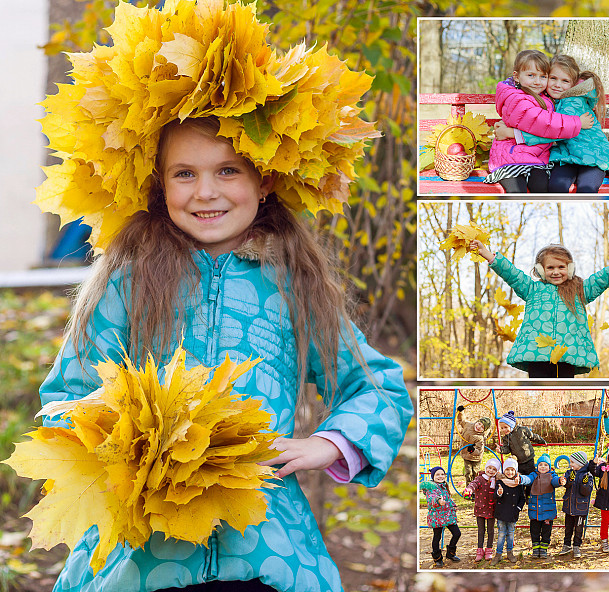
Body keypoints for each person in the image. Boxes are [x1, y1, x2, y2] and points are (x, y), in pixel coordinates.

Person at [32, 3, 412, 591]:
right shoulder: (128, 279)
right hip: (139, 559)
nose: (205, 192)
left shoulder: (293, 283)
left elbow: (377, 385)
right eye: (184, 174)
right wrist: (118, 447)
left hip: (267, 552)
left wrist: (327, 443)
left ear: (263, 178)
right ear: (160, 184)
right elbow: (67, 396)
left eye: (228, 171)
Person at [470, 240, 609, 378]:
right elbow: (511, 274)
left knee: (564, 386)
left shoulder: (579, 290)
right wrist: (486, 253)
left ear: (569, 269)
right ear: (541, 270)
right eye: (550, 267)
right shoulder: (532, 289)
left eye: (561, 267)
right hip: (538, 355)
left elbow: (604, 278)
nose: (556, 272)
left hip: (568, 354)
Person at [495, 54, 609, 193]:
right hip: (568, 157)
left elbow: (555, 132)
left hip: (594, 156)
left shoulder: (572, 103)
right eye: (553, 78)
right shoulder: (551, 101)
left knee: (586, 189)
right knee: (555, 187)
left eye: (565, 81)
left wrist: (513, 133)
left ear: (573, 85)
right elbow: (532, 119)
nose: (557, 85)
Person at [519, 453, 562, 558]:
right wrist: (521, 479)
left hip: (548, 510)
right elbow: (528, 479)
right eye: (540, 465)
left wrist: (560, 480)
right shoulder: (534, 475)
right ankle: (535, 549)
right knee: (534, 531)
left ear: (549, 466)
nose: (543, 467)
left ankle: (543, 550)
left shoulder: (553, 476)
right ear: (537, 466)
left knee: (546, 532)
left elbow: (555, 482)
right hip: (535, 510)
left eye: (545, 465)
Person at [421, 467, 462, 566]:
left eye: (442, 474)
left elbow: (448, 499)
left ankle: (450, 553)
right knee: (437, 537)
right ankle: (437, 558)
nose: (440, 476)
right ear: (433, 476)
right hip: (437, 516)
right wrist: (439, 501)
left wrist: (453, 506)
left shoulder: (444, 485)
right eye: (437, 475)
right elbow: (432, 498)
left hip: (448, 515)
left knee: (457, 533)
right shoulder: (431, 487)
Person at [463, 458, 501, 562]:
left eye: (494, 469)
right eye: (489, 468)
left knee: (490, 530)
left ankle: (489, 550)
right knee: (481, 530)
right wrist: (469, 489)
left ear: (497, 471)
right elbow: (473, 484)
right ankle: (479, 550)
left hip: (491, 509)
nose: (491, 470)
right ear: (486, 468)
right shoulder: (480, 478)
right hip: (480, 508)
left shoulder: (497, 481)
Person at [557, 451, 594, 559]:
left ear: (580, 463)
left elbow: (586, 492)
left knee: (578, 528)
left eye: (572, 462)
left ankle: (576, 545)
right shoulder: (569, 473)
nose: (570, 464)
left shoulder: (587, 475)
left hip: (580, 508)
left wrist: (583, 484)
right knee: (568, 527)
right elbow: (567, 485)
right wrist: (566, 481)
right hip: (569, 506)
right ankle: (566, 544)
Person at [492, 458, 526, 565]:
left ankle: (510, 552)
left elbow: (522, 498)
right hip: (502, 513)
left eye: (512, 470)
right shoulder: (500, 482)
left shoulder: (518, 484)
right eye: (507, 470)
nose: (510, 472)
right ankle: (498, 554)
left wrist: (518, 509)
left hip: (513, 513)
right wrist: (499, 493)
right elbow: (495, 496)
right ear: (504, 471)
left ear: (515, 471)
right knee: (501, 534)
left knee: (511, 533)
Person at [495, 411, 547, 480]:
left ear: (511, 425)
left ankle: (530, 490)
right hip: (517, 461)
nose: (504, 430)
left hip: (528, 458)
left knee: (531, 476)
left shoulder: (522, 430)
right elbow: (507, 449)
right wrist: (501, 450)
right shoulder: (505, 437)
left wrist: (542, 441)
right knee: (519, 477)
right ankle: (522, 490)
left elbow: (533, 436)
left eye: (505, 427)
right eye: (502, 428)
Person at [456, 406, 492, 485]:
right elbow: (461, 420)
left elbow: (479, 450)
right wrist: (461, 412)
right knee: (468, 472)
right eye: (479, 423)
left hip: (476, 458)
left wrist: (473, 450)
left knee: (475, 473)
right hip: (466, 454)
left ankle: (476, 488)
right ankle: (469, 489)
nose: (479, 427)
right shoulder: (468, 425)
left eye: (482, 427)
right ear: (477, 422)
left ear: (484, 430)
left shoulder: (480, 437)